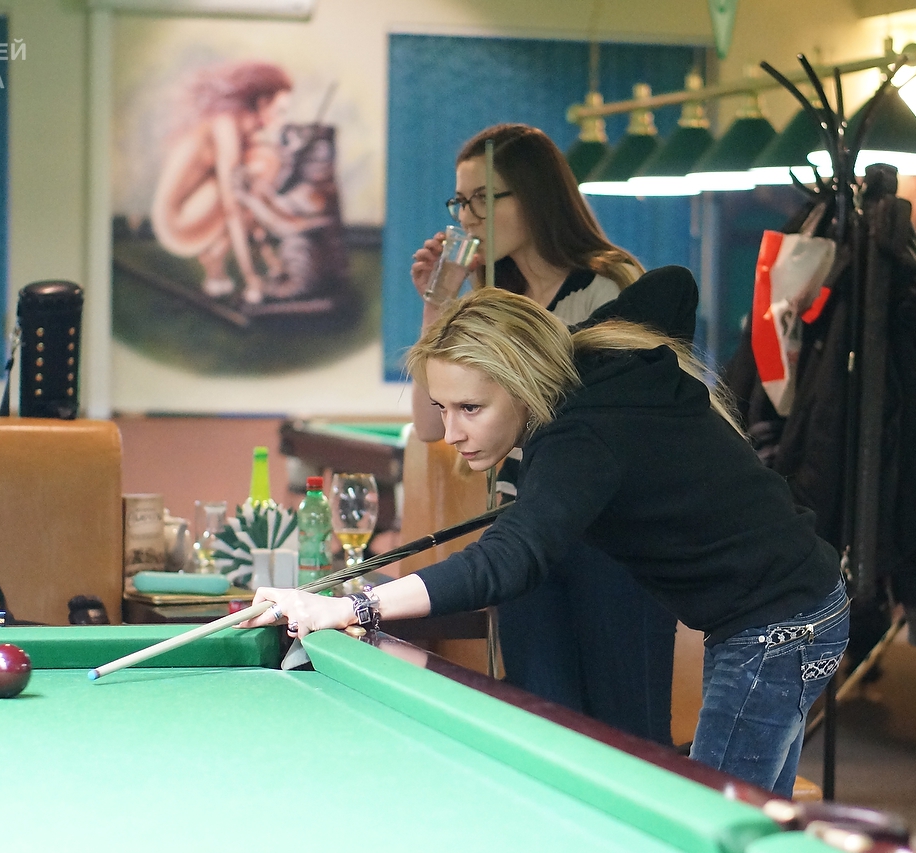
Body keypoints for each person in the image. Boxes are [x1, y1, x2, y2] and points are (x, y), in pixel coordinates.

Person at [242, 286, 850, 797]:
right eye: (442, 408)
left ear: (524, 382)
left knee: (710, 827)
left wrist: (353, 607)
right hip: (789, 608)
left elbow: (510, 560)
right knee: (749, 824)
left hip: (777, 628)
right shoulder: (592, 365)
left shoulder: (578, 437)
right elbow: (670, 287)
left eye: (471, 408)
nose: (451, 433)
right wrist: (557, 339)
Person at [408, 122, 677, 744]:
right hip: (527, 539)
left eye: (484, 198)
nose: (467, 218)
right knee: (543, 724)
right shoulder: (492, 299)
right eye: (460, 201)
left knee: (627, 735)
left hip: (610, 540)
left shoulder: (610, 284)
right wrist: (439, 300)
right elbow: (427, 425)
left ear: (534, 196)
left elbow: (626, 425)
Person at [149, 61, 292, 304]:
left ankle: (220, 257)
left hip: (193, 213)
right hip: (178, 225)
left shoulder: (237, 126)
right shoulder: (225, 124)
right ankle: (223, 261)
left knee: (263, 160)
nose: (279, 120)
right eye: (279, 110)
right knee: (263, 164)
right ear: (262, 102)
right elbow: (232, 205)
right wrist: (251, 278)